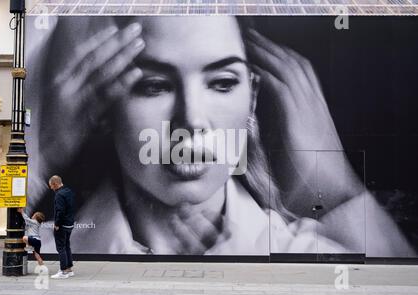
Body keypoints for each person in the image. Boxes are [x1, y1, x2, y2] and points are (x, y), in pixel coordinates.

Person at [26, 16, 415, 257]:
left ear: (253, 97)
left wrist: (334, 185)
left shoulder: (311, 256)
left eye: (223, 83)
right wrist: (38, 156)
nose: (193, 121)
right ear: (102, 107)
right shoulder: (43, 251)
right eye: (155, 86)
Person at [49, 175, 75, 279]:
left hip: (62, 225)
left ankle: (63, 271)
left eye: (51, 185)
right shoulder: (68, 191)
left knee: (61, 248)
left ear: (55, 184)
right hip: (70, 223)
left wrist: (57, 224)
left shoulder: (59, 195)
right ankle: (69, 269)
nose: (51, 188)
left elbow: (60, 211)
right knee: (66, 246)